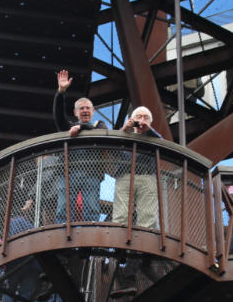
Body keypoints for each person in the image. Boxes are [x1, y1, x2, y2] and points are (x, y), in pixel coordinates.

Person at [53, 69, 107, 223]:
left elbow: (101, 133)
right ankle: (61, 238)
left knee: (92, 209)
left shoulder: (99, 125)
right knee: (63, 210)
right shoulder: (69, 126)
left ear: (93, 111)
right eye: (81, 108)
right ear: (75, 112)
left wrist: (81, 128)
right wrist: (60, 92)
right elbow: (58, 117)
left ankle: (91, 238)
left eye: (87, 108)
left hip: (92, 174)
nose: (84, 111)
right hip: (69, 173)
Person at [112, 106, 162, 228]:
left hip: (147, 176)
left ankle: (145, 242)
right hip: (125, 176)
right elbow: (112, 144)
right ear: (132, 120)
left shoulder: (153, 137)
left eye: (146, 118)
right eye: (138, 117)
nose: (142, 120)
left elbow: (161, 142)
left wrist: (148, 129)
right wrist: (125, 129)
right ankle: (119, 243)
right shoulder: (125, 134)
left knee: (148, 215)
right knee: (120, 214)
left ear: (150, 122)